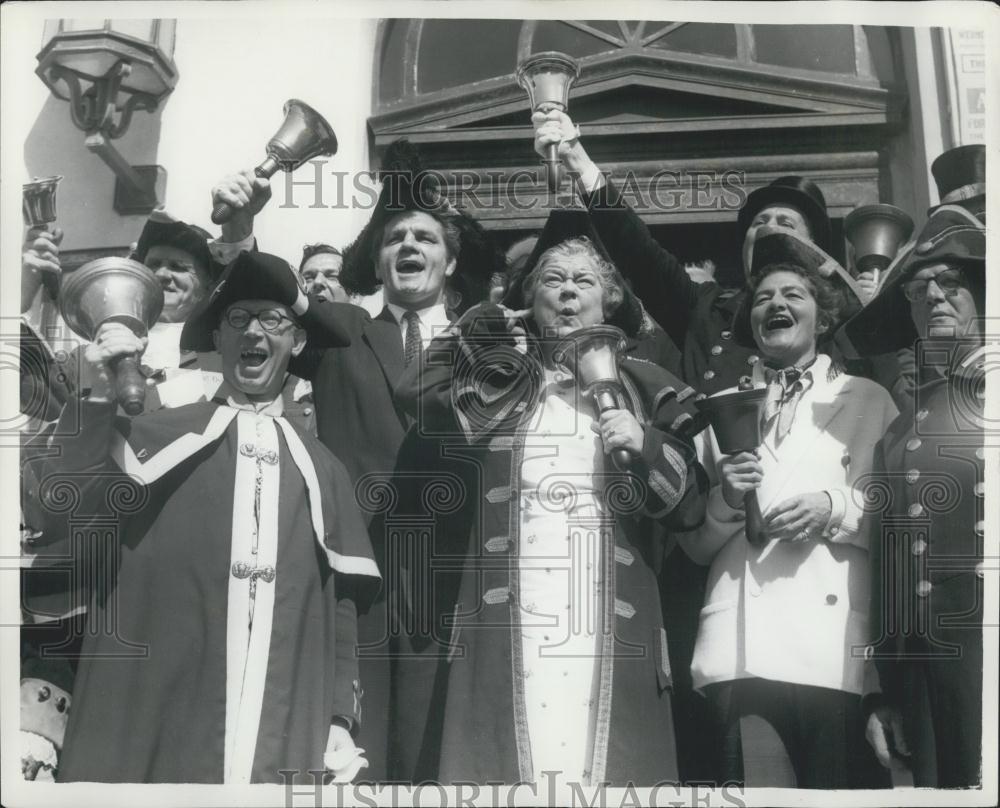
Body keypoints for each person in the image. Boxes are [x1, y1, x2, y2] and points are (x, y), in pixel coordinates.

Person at [211, 140, 504, 783]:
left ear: (449, 261)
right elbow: (270, 297)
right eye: (395, 236)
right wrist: (240, 231)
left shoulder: (488, 339)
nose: (409, 246)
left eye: (425, 237)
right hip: (354, 576)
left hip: (455, 578)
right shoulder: (342, 328)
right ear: (376, 258)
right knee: (352, 756)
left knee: (437, 757)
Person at [33, 251, 380, 783]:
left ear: (298, 342)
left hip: (282, 708)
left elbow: (342, 607)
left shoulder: (324, 468)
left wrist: (339, 714)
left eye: (273, 321)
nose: (254, 333)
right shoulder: (155, 434)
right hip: (161, 693)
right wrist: (100, 392)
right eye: (237, 320)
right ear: (217, 339)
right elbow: (62, 498)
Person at [395, 208, 708, 786]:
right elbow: (416, 398)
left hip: (607, 624)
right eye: (550, 280)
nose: (567, 293)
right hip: (508, 624)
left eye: (583, 281)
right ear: (527, 297)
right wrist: (482, 323)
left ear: (609, 299)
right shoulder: (498, 380)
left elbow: (689, 508)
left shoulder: (648, 386)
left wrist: (637, 438)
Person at [679, 229, 896, 788]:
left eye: (792, 295)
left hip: (833, 653)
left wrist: (834, 506)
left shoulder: (866, 398)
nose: (775, 304)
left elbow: (901, 513)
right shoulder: (720, 409)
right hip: (741, 655)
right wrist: (725, 499)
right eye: (764, 298)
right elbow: (694, 546)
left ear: (822, 321)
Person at [842, 202, 986, 788]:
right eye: (918, 290)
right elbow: (892, 566)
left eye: (951, 283)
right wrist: (883, 689)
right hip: (926, 671)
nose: (934, 298)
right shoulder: (903, 426)